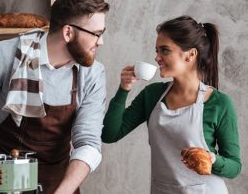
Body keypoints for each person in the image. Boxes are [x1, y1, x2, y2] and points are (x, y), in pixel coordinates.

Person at [0, 0, 109, 194]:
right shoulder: (4, 56)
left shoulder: (92, 74)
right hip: (2, 183)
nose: (100, 42)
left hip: (58, 184)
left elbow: (88, 143)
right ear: (68, 32)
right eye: (97, 34)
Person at [102, 16, 241, 194]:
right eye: (157, 51)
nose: (157, 57)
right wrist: (124, 89)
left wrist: (211, 159)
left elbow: (234, 166)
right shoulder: (152, 95)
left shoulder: (219, 103)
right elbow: (109, 134)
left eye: (164, 51)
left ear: (191, 54)